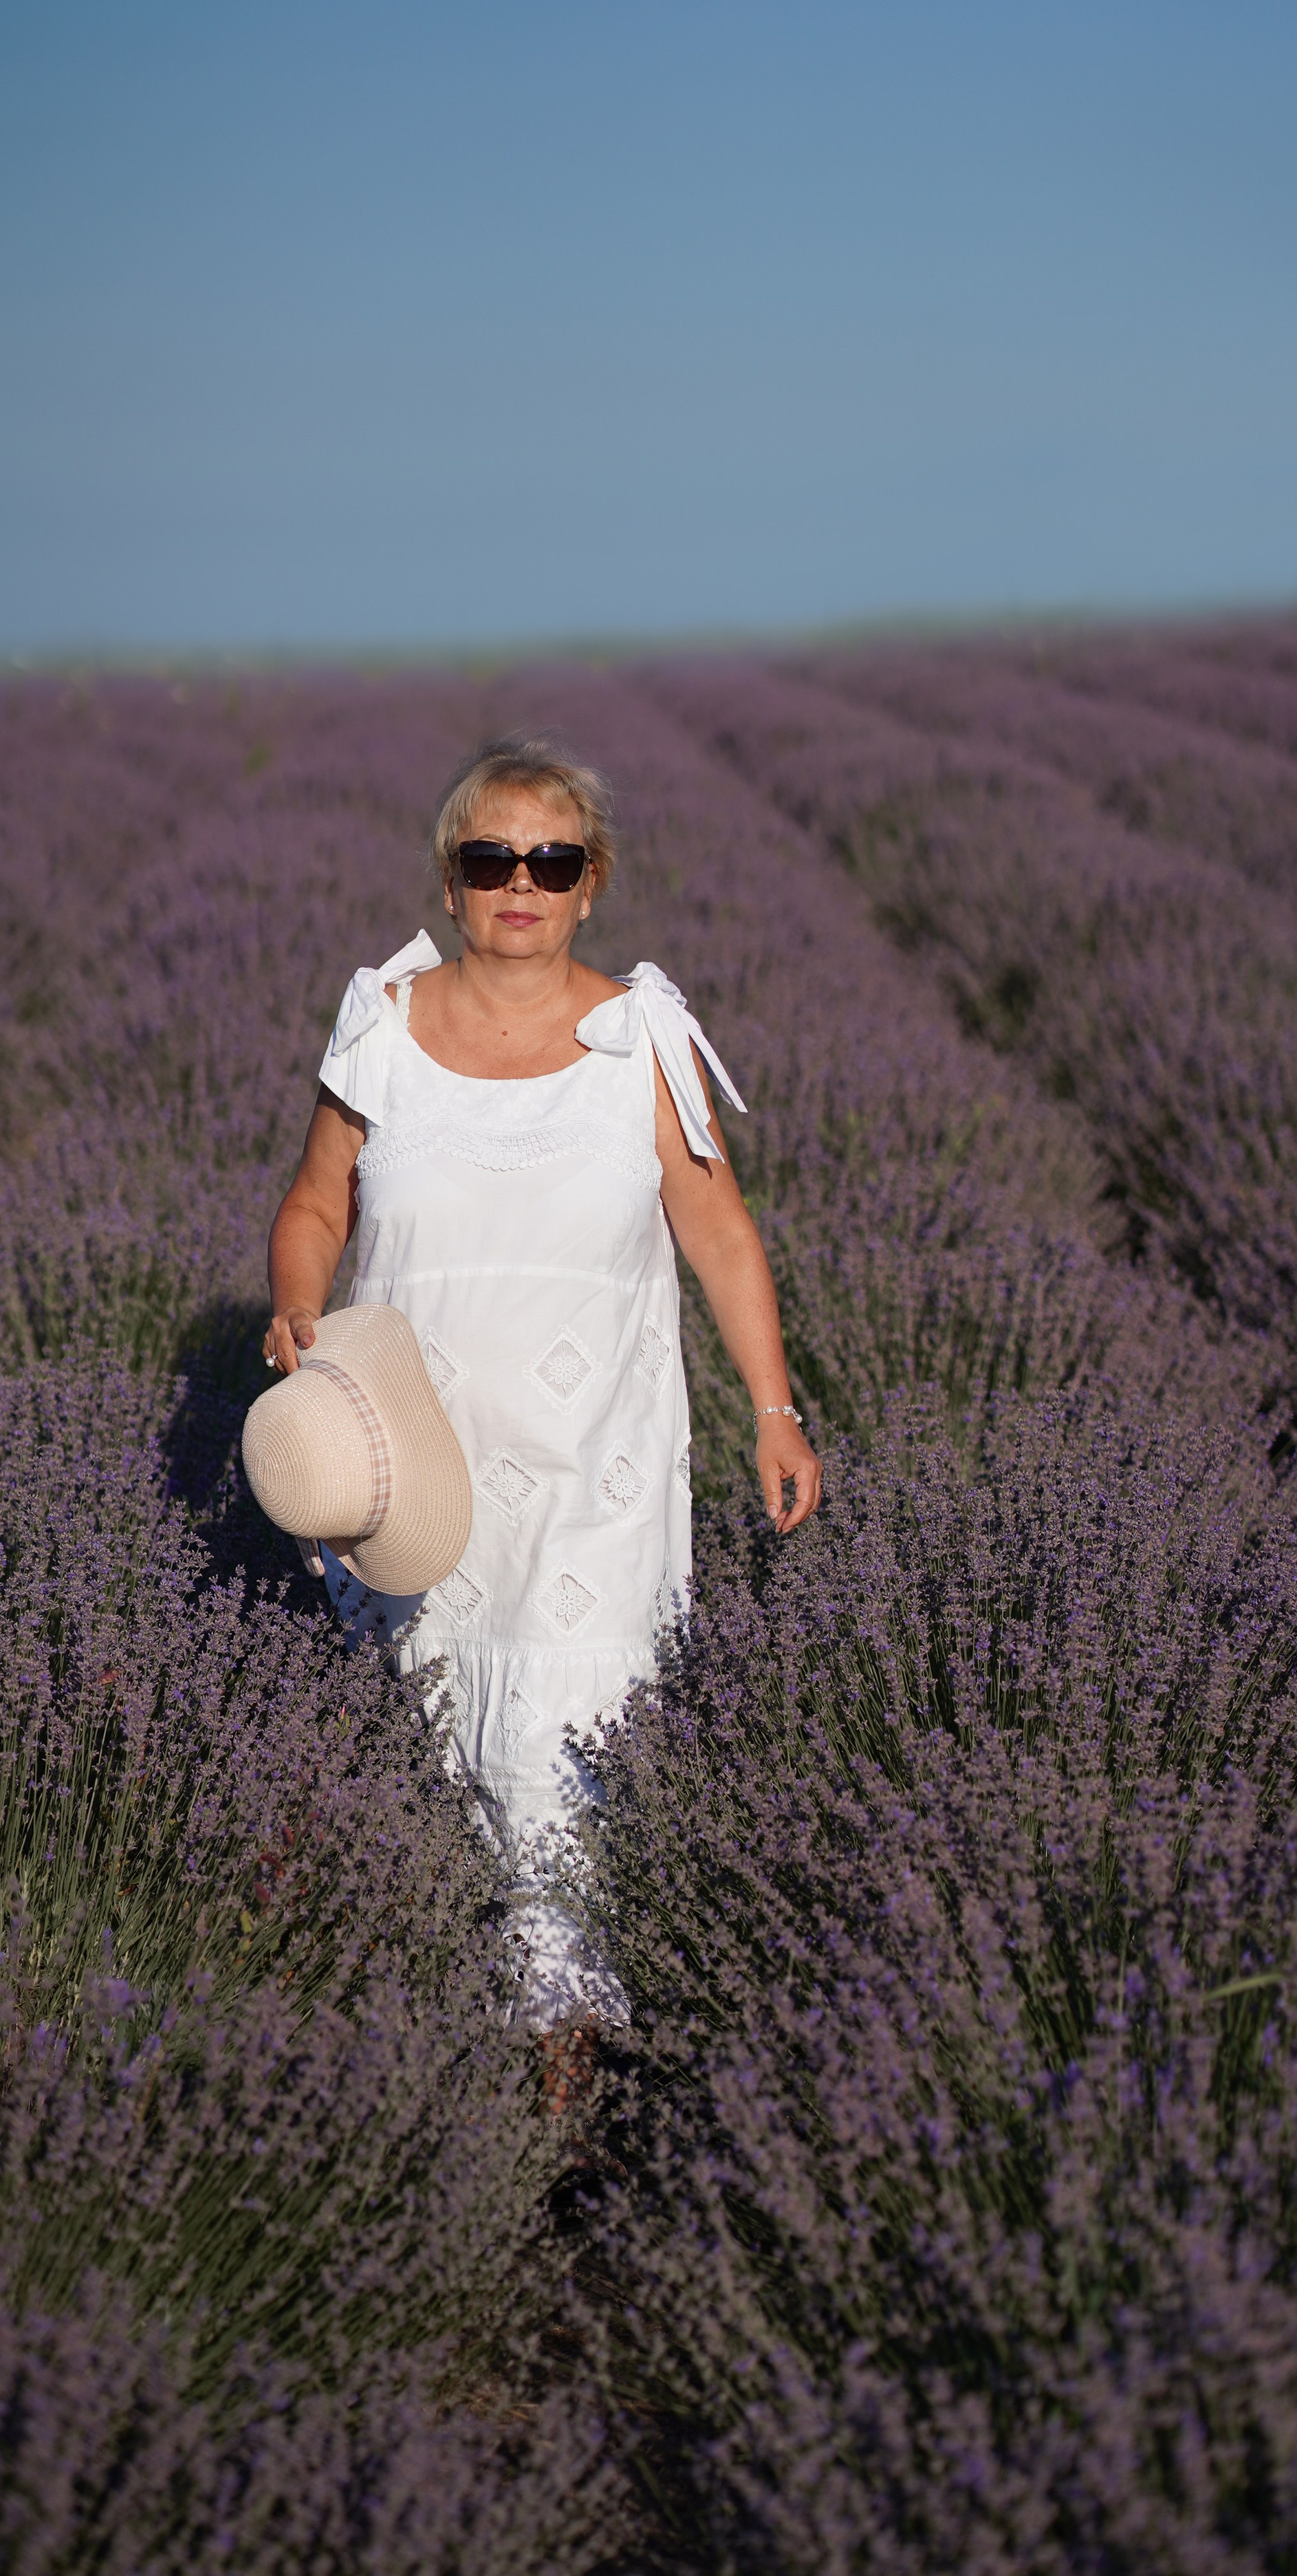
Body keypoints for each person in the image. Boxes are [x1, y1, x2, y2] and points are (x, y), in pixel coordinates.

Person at [262, 737, 819, 2073]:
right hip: (420, 1453)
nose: (521, 883)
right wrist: (295, 1303)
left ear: (590, 885)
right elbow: (315, 1201)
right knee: (433, 1721)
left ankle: (563, 2040)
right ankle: (448, 2007)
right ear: (450, 886)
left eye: (550, 861)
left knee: (571, 1719)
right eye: (490, 859)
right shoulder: (381, 1032)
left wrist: (772, 1409)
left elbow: (720, 1231)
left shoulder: (642, 1040)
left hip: (595, 1459)